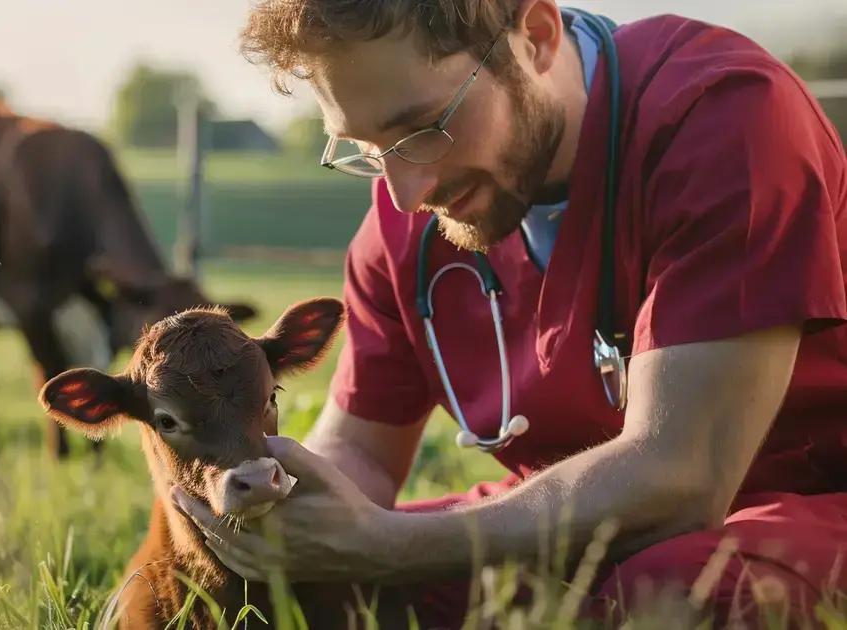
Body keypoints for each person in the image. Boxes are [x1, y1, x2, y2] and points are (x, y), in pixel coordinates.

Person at [170, 0, 847, 625]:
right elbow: (360, 454)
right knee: (313, 592)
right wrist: (281, 514)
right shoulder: (408, 217)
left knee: (676, 596)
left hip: (800, 508)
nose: (407, 196)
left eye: (425, 128)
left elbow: (683, 477)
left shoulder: (721, 116)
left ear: (538, 37)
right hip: (571, 533)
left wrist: (394, 546)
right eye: (367, 150)